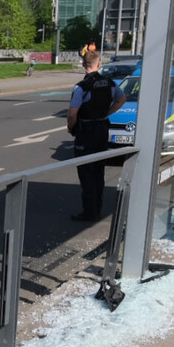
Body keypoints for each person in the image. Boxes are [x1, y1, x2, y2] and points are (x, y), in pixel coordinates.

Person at [66, 50, 126, 222]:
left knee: (86, 173)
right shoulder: (109, 83)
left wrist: (71, 128)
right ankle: (97, 209)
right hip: (101, 129)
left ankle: (89, 212)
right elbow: (122, 99)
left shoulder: (81, 87)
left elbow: (72, 113)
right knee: (99, 172)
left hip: (86, 132)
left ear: (84, 65)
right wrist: (107, 112)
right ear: (99, 64)